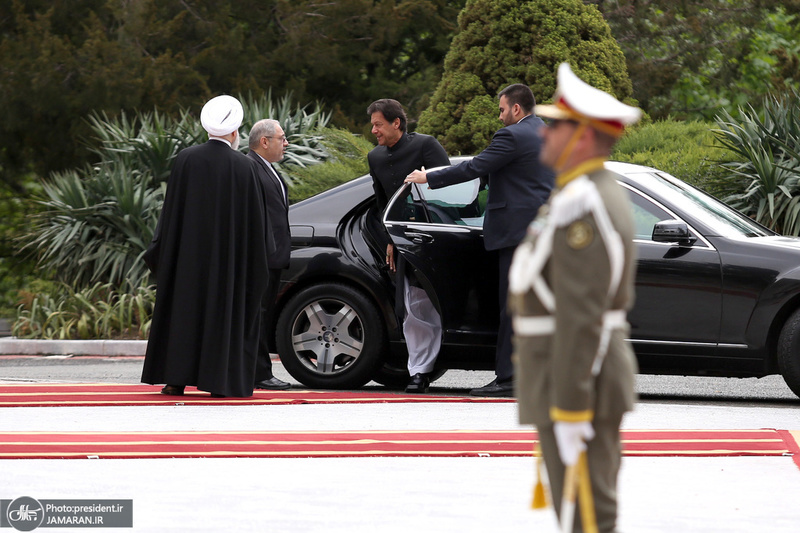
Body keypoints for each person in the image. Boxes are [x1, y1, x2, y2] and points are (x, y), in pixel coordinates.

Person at [507, 63, 642, 532]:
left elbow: (583, 313)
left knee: (586, 509)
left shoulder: (588, 201)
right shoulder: (574, 193)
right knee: (576, 508)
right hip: (565, 371)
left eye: (556, 126)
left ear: (582, 136)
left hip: (580, 379)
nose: (544, 134)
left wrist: (570, 406)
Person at [405, 84, 554, 397]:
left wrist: (427, 178)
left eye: (502, 110)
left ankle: (510, 379)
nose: (500, 117)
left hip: (517, 236)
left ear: (516, 108)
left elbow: (475, 166)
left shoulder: (512, 135)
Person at [142, 95, 270, 398]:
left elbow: (171, 213)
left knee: (184, 311)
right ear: (235, 132)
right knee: (223, 313)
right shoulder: (244, 166)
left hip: (187, 258)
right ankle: (219, 381)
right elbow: (255, 224)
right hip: (229, 261)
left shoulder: (186, 158)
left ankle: (175, 379)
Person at [367, 98, 450, 393]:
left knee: (441, 304)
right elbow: (381, 203)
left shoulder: (426, 145)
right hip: (404, 241)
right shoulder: (374, 157)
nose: (373, 130)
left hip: (436, 237)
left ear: (396, 123)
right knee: (414, 307)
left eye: (378, 124)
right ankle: (419, 372)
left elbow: (451, 185)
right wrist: (390, 239)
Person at [247, 119, 293, 390]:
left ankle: (259, 371)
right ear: (264, 142)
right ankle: (259, 373)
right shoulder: (251, 167)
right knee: (259, 315)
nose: (286, 143)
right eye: (281, 138)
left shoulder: (267, 168)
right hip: (262, 257)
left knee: (263, 314)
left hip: (272, 256)